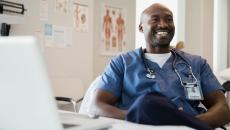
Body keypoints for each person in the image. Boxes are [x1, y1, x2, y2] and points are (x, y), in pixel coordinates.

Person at [91, 3, 230, 129]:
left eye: (169, 19)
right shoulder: (122, 62)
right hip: (138, 127)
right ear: (141, 27)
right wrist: (140, 117)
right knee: (145, 104)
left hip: (190, 128)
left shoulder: (196, 63)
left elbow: (223, 110)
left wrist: (186, 123)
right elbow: (97, 106)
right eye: (155, 19)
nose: (163, 24)